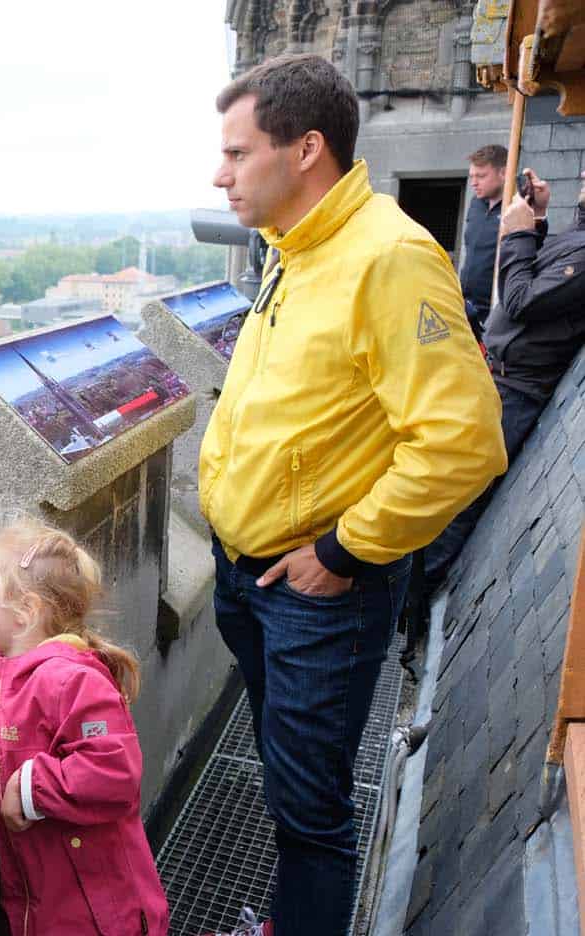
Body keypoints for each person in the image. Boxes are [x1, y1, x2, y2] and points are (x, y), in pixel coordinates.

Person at [200, 54, 507, 936]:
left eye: (236, 152)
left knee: (312, 818)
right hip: (251, 584)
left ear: (305, 150)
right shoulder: (298, 248)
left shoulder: (388, 256)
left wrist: (342, 553)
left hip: (317, 595)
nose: (219, 174)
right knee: (289, 782)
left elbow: (463, 442)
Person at [0, 519, 169, 936]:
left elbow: (114, 770)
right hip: (46, 907)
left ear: (25, 611)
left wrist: (29, 787)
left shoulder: (71, 679)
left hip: (101, 915)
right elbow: (11, 752)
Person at [423, 167, 585, 588]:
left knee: (462, 495)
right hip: (500, 378)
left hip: (516, 392)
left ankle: (415, 599)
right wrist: (538, 220)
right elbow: (544, 269)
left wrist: (516, 234)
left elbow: (519, 300)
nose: (582, 172)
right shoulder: (580, 236)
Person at [460, 144, 509, 332]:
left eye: (481, 176)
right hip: (466, 303)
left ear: (503, 173)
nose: (474, 182)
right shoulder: (476, 204)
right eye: (472, 176)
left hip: (496, 309)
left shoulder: (517, 206)